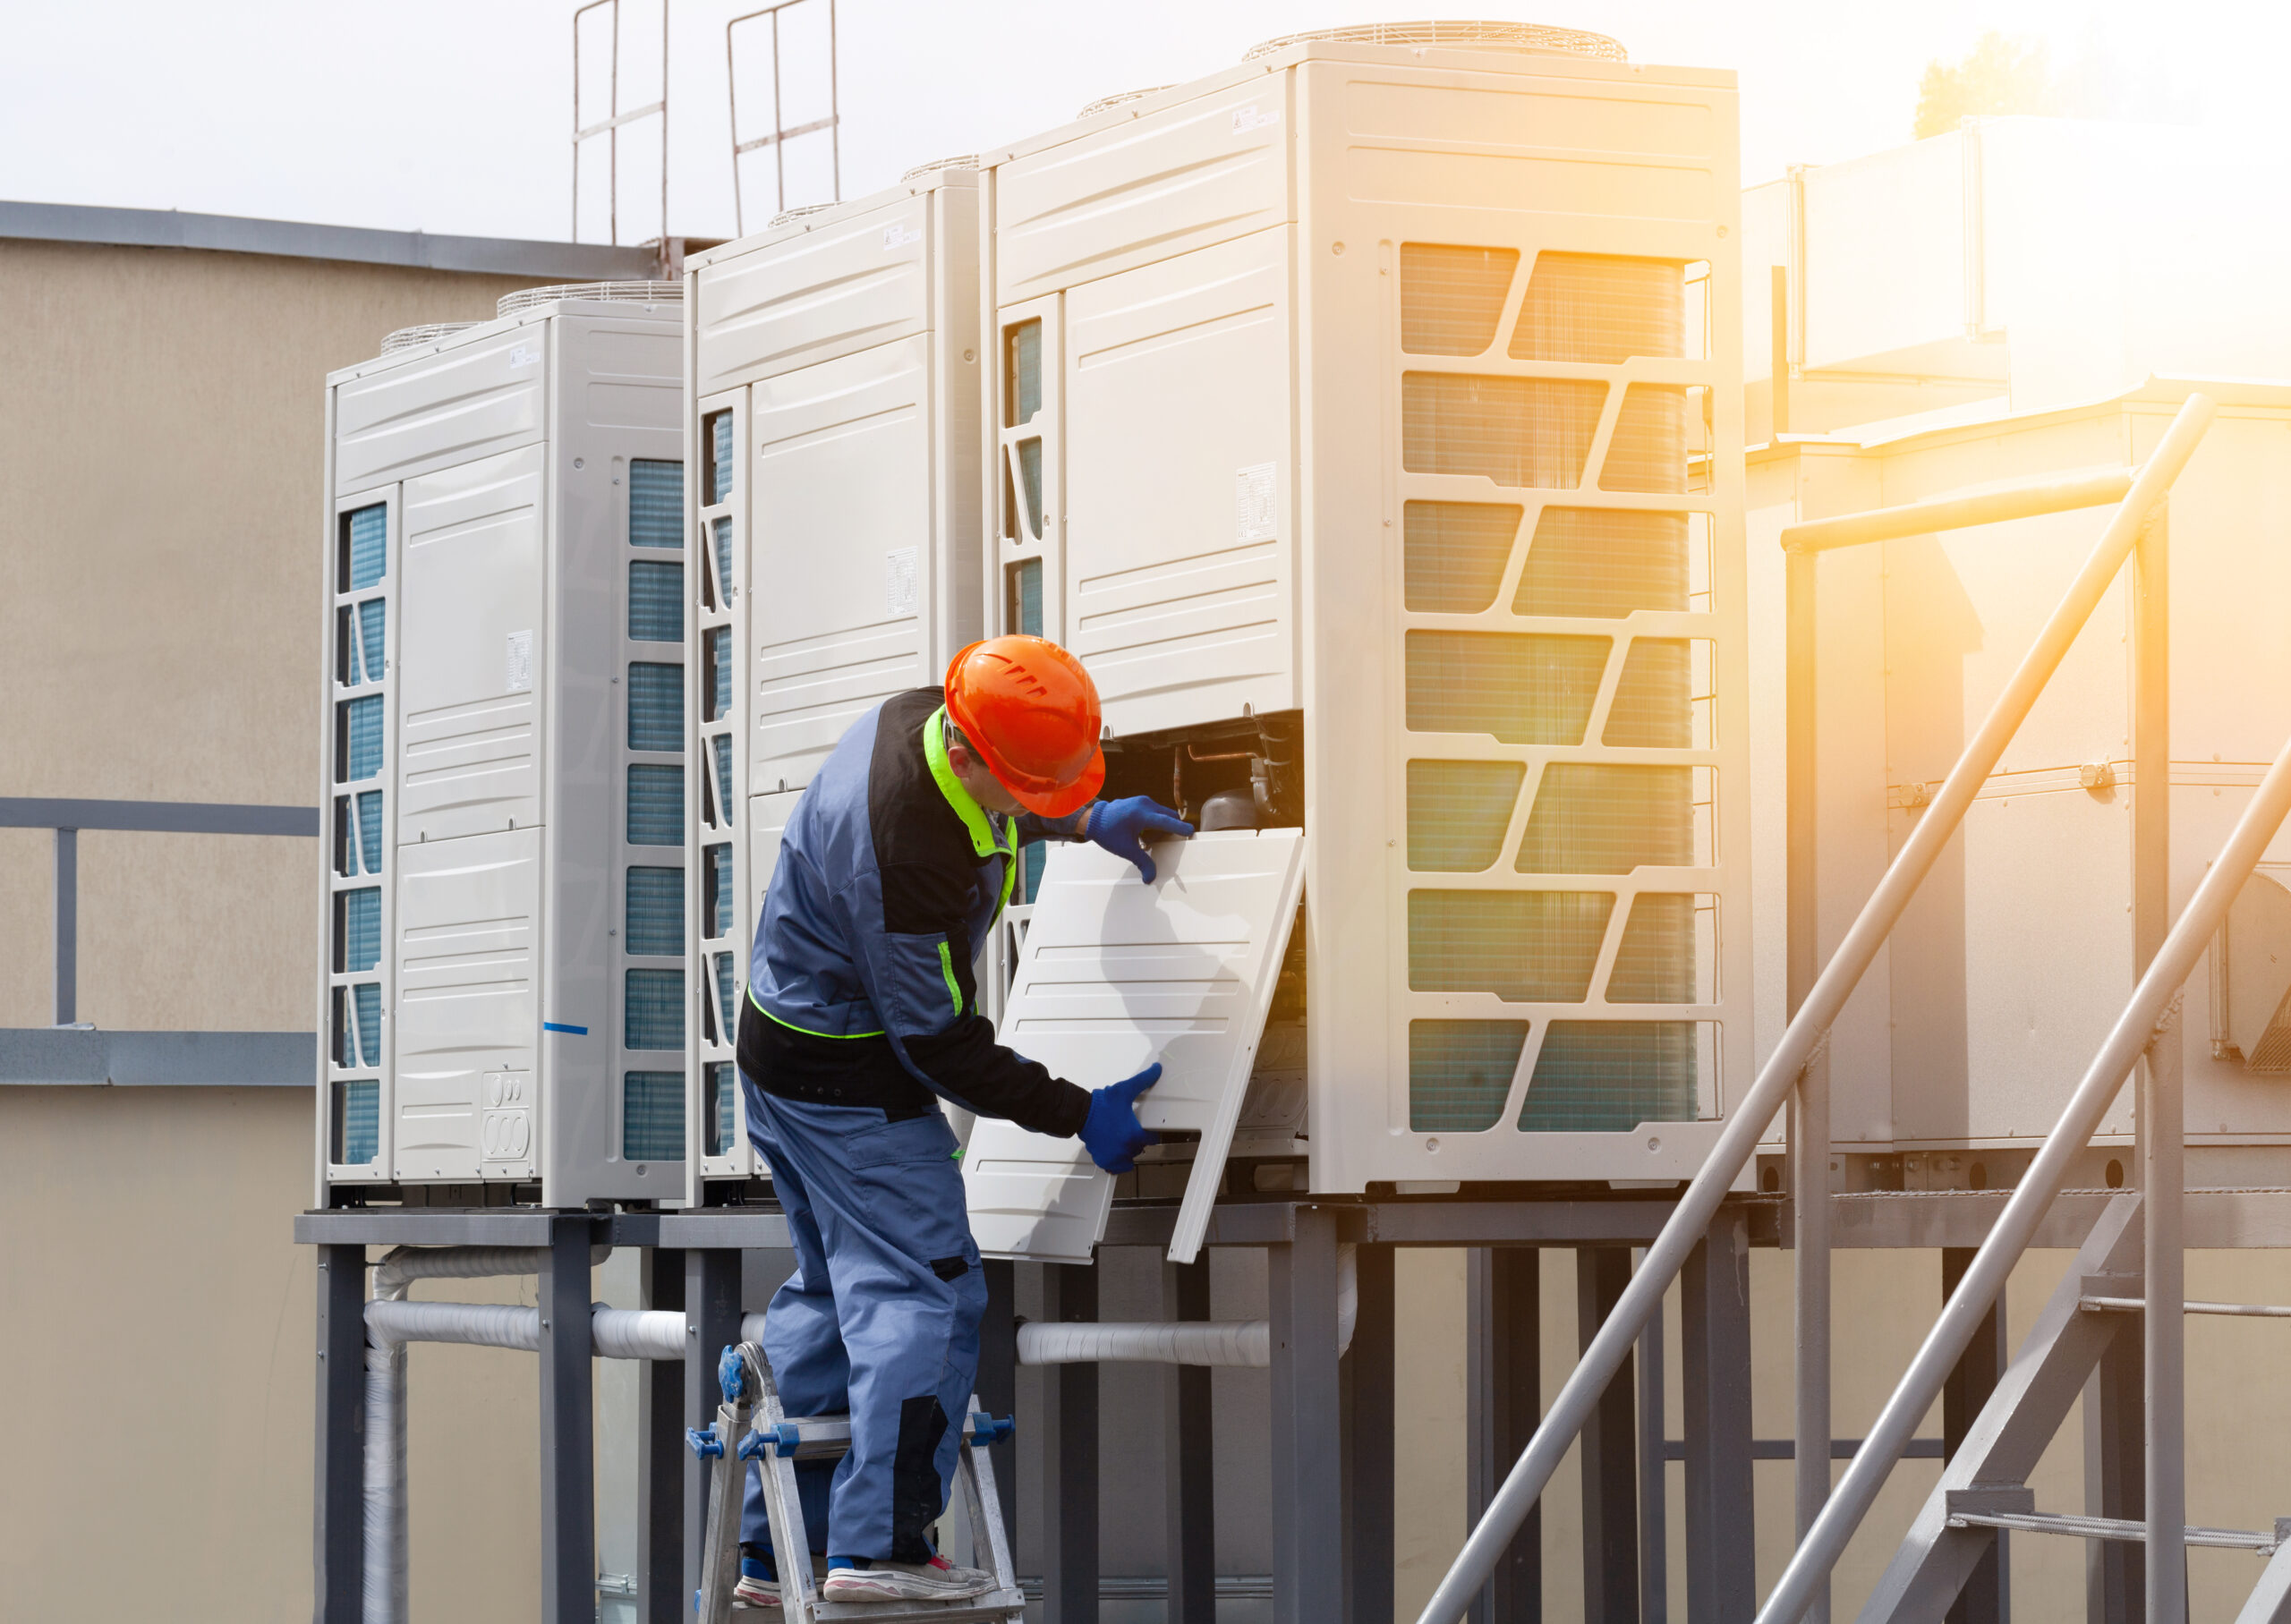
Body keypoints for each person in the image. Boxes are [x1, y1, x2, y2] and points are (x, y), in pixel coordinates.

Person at [734, 633, 1194, 1605]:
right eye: (1038, 789)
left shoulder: (928, 721)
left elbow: (984, 813)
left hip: (783, 1052)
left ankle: (786, 1555)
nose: (1041, 801)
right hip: (847, 1077)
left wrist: (1077, 822)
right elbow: (937, 1043)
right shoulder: (904, 853)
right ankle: (884, 1546)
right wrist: (1077, 1112)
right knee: (927, 1293)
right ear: (987, 757)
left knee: (832, 1293)